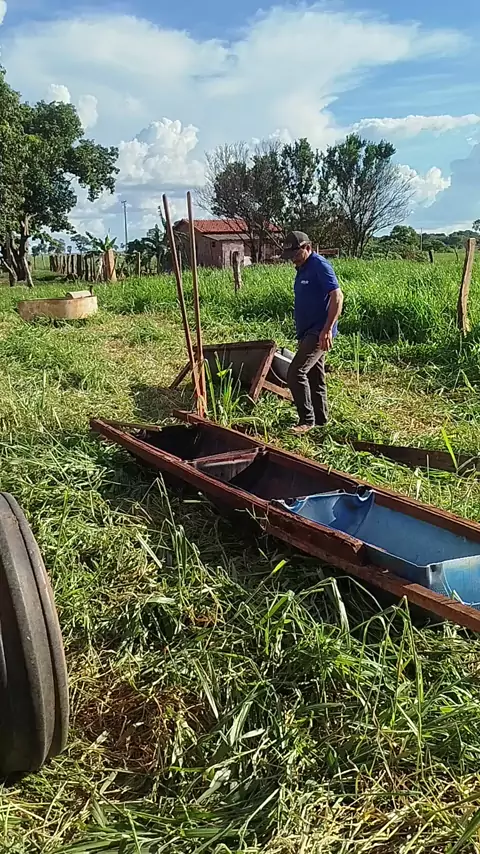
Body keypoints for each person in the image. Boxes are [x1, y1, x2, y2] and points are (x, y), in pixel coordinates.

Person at [282, 232, 344, 434]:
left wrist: (327, 330)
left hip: (319, 331)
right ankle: (320, 419)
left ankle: (306, 420)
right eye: (290, 255)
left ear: (307, 247)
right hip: (307, 331)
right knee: (314, 375)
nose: (293, 259)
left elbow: (337, 296)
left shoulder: (319, 265)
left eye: (296, 254)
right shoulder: (302, 268)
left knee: (295, 373)